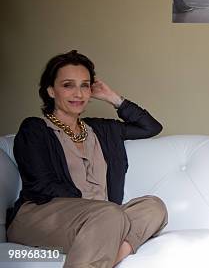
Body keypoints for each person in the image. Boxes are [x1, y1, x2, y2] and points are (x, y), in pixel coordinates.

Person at [6, 50, 167, 268]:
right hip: (42, 218)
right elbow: (41, 185)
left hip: (102, 220)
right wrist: (98, 210)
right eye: (68, 85)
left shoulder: (101, 130)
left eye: (85, 85)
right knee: (109, 213)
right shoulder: (35, 129)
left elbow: (151, 127)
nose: (79, 93)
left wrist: (113, 98)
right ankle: (105, 243)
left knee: (154, 206)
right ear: (51, 91)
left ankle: (109, 256)